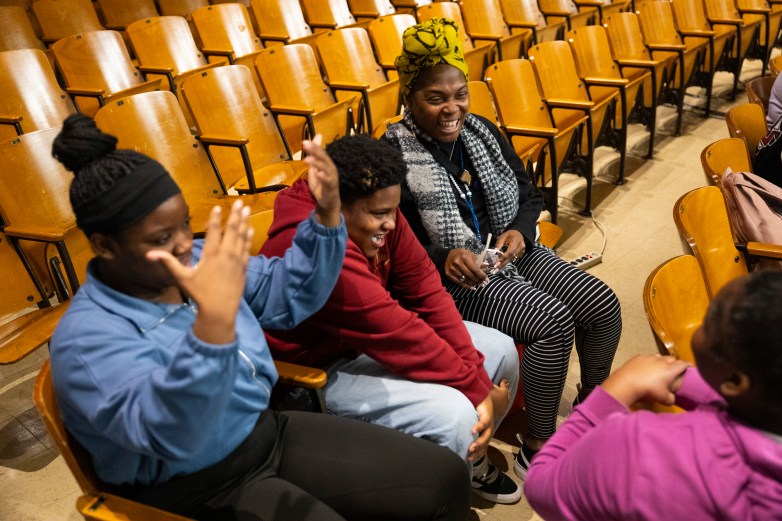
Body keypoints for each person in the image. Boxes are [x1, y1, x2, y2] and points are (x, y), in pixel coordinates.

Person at [48, 114, 472, 521]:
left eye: (183, 225)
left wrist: (326, 219)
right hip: (197, 484)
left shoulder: (198, 260)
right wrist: (211, 330)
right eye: (162, 238)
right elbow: (170, 435)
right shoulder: (87, 339)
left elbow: (288, 292)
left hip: (264, 432)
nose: (182, 244)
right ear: (104, 246)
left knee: (444, 479)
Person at [380, 17, 623, 479]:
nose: (452, 108)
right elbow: (391, 244)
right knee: (552, 322)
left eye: (459, 94)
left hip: (513, 252)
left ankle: (593, 403)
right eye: (436, 98)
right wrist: (441, 256)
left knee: (601, 303)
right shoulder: (393, 155)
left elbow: (530, 194)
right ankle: (539, 442)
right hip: (457, 277)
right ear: (409, 98)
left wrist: (521, 229)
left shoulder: (482, 132)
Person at [262, 134, 523, 505]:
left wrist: (478, 383)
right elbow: (397, 333)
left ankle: (469, 457)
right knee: (454, 414)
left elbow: (425, 289)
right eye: (378, 214)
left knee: (500, 349)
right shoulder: (314, 246)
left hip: (358, 342)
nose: (390, 223)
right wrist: (480, 394)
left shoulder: (376, 202)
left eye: (393, 210)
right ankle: (442, 502)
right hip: (307, 374)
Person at [524, 270, 782, 520]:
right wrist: (696, 387)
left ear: (735, 382)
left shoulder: (640, 443)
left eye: (709, 322)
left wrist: (617, 388)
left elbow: (541, 485)